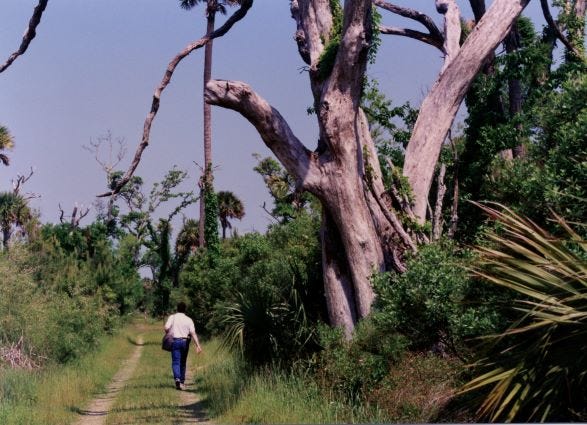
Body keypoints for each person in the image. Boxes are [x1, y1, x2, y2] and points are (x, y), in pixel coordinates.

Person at [164, 301, 202, 390]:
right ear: (185, 309)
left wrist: (169, 333)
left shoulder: (172, 317)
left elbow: (166, 327)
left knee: (175, 361)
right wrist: (198, 345)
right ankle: (181, 382)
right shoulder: (189, 319)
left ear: (177, 309)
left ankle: (177, 378)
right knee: (183, 362)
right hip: (185, 342)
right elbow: (193, 333)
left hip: (175, 341)